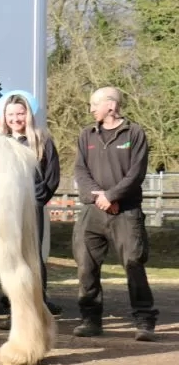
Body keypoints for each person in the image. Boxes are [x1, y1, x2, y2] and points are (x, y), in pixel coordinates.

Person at [72, 87, 157, 341]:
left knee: (133, 264)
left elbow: (136, 173)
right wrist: (99, 197)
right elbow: (80, 170)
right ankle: (90, 319)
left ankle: (144, 320)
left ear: (111, 105)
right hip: (92, 212)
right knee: (86, 266)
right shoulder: (86, 134)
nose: (90, 109)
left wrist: (112, 196)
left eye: (93, 104)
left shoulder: (134, 133)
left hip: (126, 212)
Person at [0, 94, 62, 329]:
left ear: (28, 115)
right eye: (11, 114)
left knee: (32, 256)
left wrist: (37, 199)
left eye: (20, 114)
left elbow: (52, 176)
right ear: (5, 116)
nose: (16, 119)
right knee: (11, 257)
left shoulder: (42, 141)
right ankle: (14, 311)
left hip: (32, 208)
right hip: (6, 209)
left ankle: (38, 307)